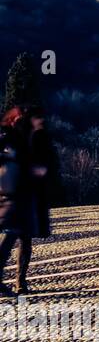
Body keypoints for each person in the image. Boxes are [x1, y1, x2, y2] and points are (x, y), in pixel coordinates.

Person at [0, 107, 41, 296]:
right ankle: (19, 281)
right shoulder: (10, 140)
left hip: (19, 195)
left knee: (21, 238)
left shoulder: (22, 140)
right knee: (12, 237)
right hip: (12, 195)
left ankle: (21, 281)